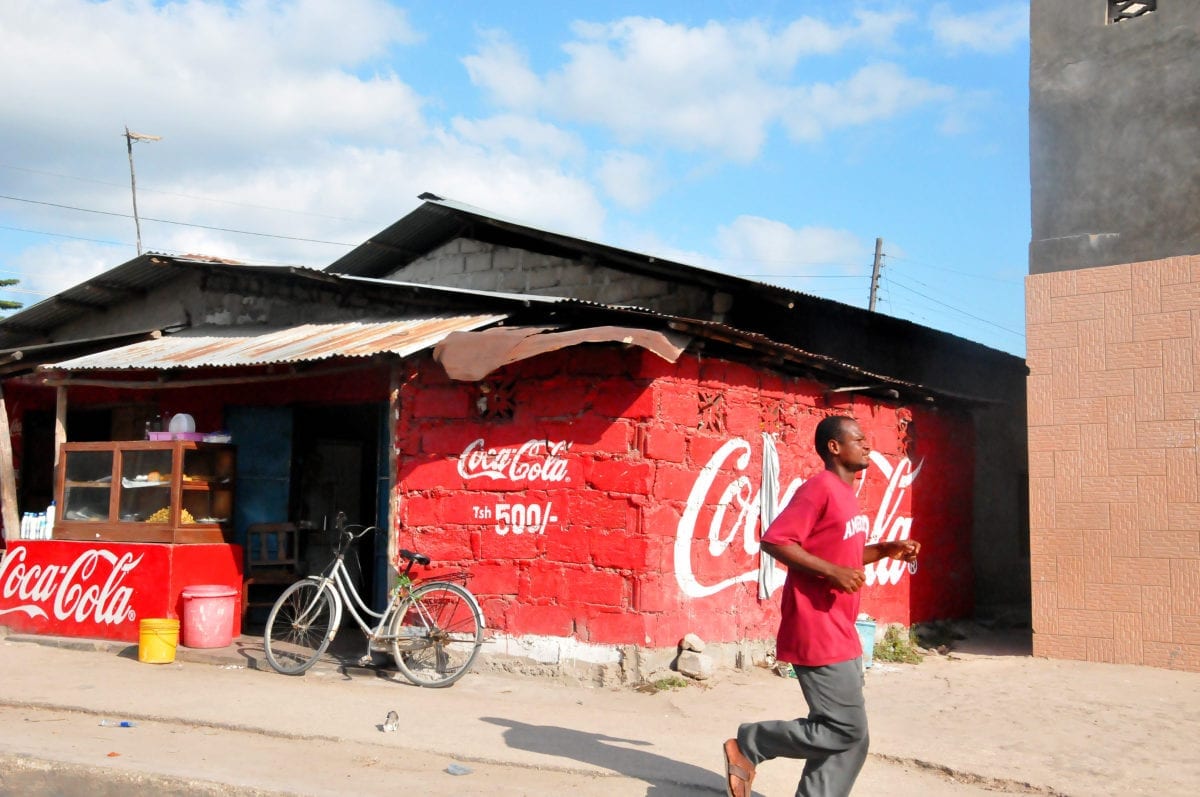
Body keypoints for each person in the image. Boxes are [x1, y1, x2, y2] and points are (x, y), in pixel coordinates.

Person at [723, 415, 920, 797]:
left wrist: (884, 550)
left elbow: (841, 553)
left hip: (842, 628)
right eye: (858, 440)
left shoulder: (847, 495)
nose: (867, 445)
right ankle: (751, 743)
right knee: (844, 729)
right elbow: (775, 541)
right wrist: (831, 573)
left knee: (851, 738)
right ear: (834, 447)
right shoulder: (820, 488)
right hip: (815, 625)